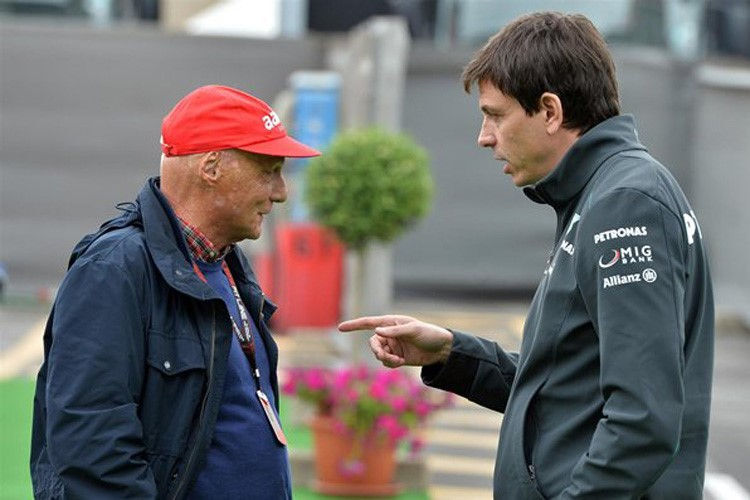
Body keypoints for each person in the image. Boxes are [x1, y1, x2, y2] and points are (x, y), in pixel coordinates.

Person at [340, 12, 713, 500]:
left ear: (551, 111)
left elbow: (643, 421)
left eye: (495, 114)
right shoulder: (601, 194)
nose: (484, 136)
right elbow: (567, 389)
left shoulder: (626, 202)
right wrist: (453, 353)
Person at [30, 85, 320, 499]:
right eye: (268, 171)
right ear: (212, 166)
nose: (280, 191)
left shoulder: (226, 262)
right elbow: (92, 448)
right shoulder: (113, 268)